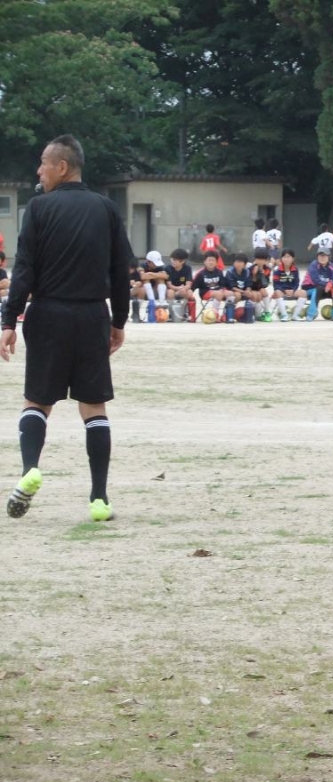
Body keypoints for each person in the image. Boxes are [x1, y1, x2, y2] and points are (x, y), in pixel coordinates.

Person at [0, 134, 132, 522]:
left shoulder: (38, 209)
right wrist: (119, 321)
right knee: (93, 407)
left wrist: (9, 320)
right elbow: (120, 272)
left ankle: (30, 470)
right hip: (92, 316)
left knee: (37, 402)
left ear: (62, 167)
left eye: (43, 163)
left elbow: (24, 270)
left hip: (47, 315)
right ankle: (99, 499)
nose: (38, 170)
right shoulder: (107, 209)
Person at [190, 250, 228, 320]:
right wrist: (190, 296)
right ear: (204, 261)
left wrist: (223, 290)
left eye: (213, 260)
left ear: (216, 262)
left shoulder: (219, 272)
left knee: (231, 294)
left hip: (219, 291)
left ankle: (226, 315)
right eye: (209, 260)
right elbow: (193, 287)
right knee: (218, 294)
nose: (211, 262)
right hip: (206, 293)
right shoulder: (200, 274)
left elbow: (223, 285)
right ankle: (215, 315)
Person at [270, 249, 306, 321]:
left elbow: (296, 283)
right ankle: (284, 315)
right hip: (281, 291)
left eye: (288, 257)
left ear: (293, 259)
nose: (286, 259)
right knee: (277, 292)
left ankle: (295, 315)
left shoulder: (295, 269)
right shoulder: (277, 269)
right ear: (281, 258)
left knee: (303, 293)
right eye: (284, 257)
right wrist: (284, 291)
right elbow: (276, 284)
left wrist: (293, 290)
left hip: (292, 291)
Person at [302, 250, 333, 321]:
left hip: (323, 288)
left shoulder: (331, 266)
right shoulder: (314, 265)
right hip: (309, 288)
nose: (322, 258)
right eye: (320, 256)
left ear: (329, 257)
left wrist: (331, 285)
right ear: (317, 257)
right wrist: (330, 287)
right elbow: (316, 281)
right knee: (318, 289)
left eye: (324, 256)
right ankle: (311, 314)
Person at [165, 247, 196, 322]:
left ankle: (185, 312)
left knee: (189, 292)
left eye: (175, 260)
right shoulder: (168, 268)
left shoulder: (187, 269)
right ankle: (171, 314)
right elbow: (169, 285)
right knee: (170, 292)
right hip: (172, 290)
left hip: (182, 290)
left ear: (182, 261)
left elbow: (188, 284)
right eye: (172, 259)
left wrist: (183, 288)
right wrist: (178, 288)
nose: (172, 261)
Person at [223, 253, 255, 323]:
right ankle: (229, 312)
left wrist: (248, 290)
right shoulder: (230, 272)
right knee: (238, 295)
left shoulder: (247, 272)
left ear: (245, 264)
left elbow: (249, 284)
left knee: (252, 294)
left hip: (243, 291)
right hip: (231, 291)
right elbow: (232, 287)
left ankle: (251, 314)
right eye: (236, 262)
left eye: (240, 262)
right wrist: (243, 292)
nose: (238, 264)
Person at [139, 250, 169, 320]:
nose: (156, 265)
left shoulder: (160, 267)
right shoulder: (142, 265)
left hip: (156, 290)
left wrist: (150, 274)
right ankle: (151, 301)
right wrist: (158, 275)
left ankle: (161, 301)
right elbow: (142, 276)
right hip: (145, 291)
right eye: (154, 263)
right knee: (146, 280)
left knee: (161, 279)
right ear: (148, 262)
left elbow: (165, 276)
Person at [248, 248, 274, 320]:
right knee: (258, 294)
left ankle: (267, 312)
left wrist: (262, 274)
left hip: (260, 288)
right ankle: (257, 315)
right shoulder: (250, 268)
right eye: (258, 259)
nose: (260, 261)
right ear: (255, 259)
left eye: (262, 259)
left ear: (265, 260)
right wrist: (254, 275)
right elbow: (249, 283)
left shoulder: (267, 269)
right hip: (251, 289)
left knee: (263, 291)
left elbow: (266, 284)